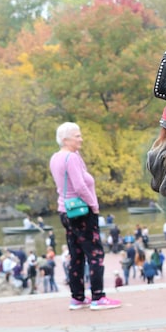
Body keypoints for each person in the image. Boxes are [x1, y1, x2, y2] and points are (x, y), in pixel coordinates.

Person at [49, 122, 120, 311]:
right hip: (82, 212)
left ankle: (77, 297)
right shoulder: (71, 158)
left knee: (76, 255)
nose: (81, 139)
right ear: (65, 139)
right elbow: (80, 186)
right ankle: (98, 297)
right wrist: (94, 206)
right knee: (95, 253)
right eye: (77, 136)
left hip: (65, 211)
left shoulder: (56, 157)